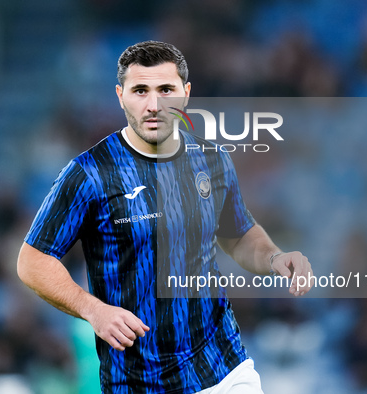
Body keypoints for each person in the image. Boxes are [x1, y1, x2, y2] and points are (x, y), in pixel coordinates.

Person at [17, 40, 313, 393]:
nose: (154, 104)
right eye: (140, 90)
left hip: (223, 369)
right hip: (139, 381)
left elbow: (238, 234)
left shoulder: (211, 158)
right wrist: (93, 310)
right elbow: (32, 260)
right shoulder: (89, 173)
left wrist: (275, 257)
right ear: (120, 95)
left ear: (185, 94)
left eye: (166, 90)